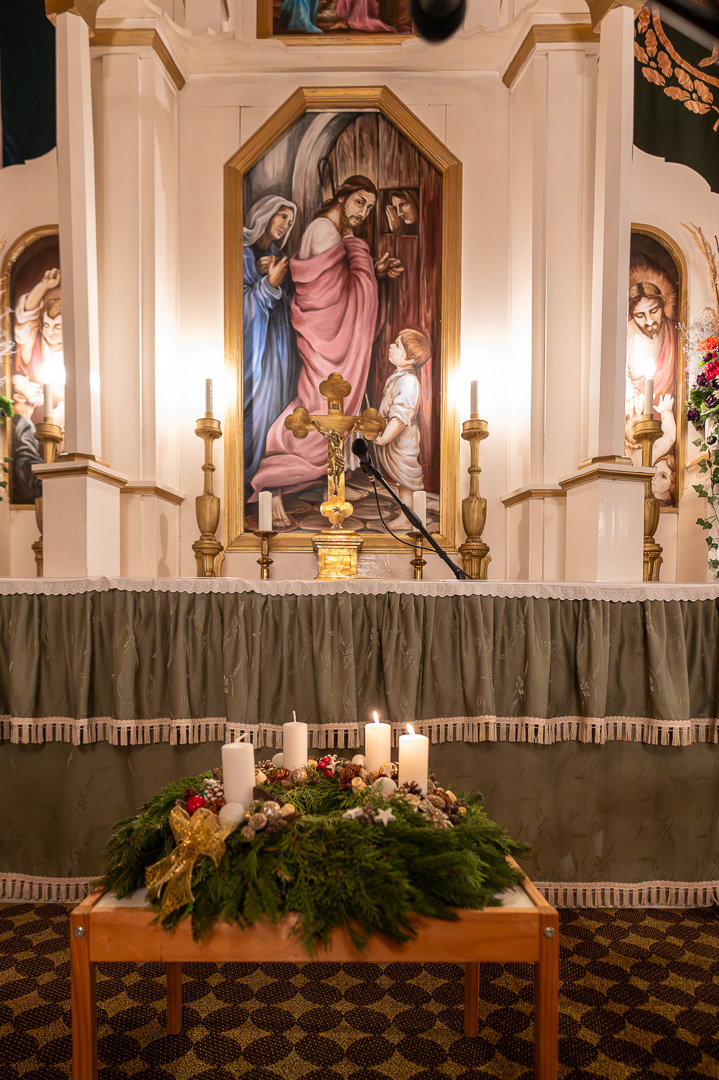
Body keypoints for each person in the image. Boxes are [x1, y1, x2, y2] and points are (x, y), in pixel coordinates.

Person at [250, 175, 404, 526]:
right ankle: (274, 478)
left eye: (369, 208)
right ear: (342, 197)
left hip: (332, 335)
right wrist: (359, 254)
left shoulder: (332, 233)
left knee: (331, 409)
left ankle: (331, 485)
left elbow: (338, 285)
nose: (363, 212)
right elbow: (329, 296)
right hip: (327, 339)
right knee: (318, 407)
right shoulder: (324, 231)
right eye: (359, 202)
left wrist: (369, 268)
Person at [243, 195, 301, 487]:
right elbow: (239, 308)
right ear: (264, 214)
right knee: (257, 409)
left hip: (278, 348)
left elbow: (289, 300)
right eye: (281, 217)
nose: (285, 225)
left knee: (276, 405)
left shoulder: (279, 256)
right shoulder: (242, 254)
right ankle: (250, 475)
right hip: (256, 350)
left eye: (290, 222)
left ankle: (270, 476)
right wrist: (267, 284)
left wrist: (277, 280)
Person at [373, 328, 431, 525]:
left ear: (410, 358)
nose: (391, 346)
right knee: (400, 478)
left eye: (397, 345)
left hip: (403, 439)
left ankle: (408, 517)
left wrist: (384, 438)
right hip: (395, 437)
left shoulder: (409, 382)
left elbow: (400, 416)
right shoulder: (399, 377)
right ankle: (406, 511)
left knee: (406, 477)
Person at [13, 267, 64, 426]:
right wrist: (43, 286)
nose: (50, 332)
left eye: (57, 327)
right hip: (39, 421)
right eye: (47, 325)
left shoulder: (75, 353)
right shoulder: (34, 347)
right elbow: (25, 317)